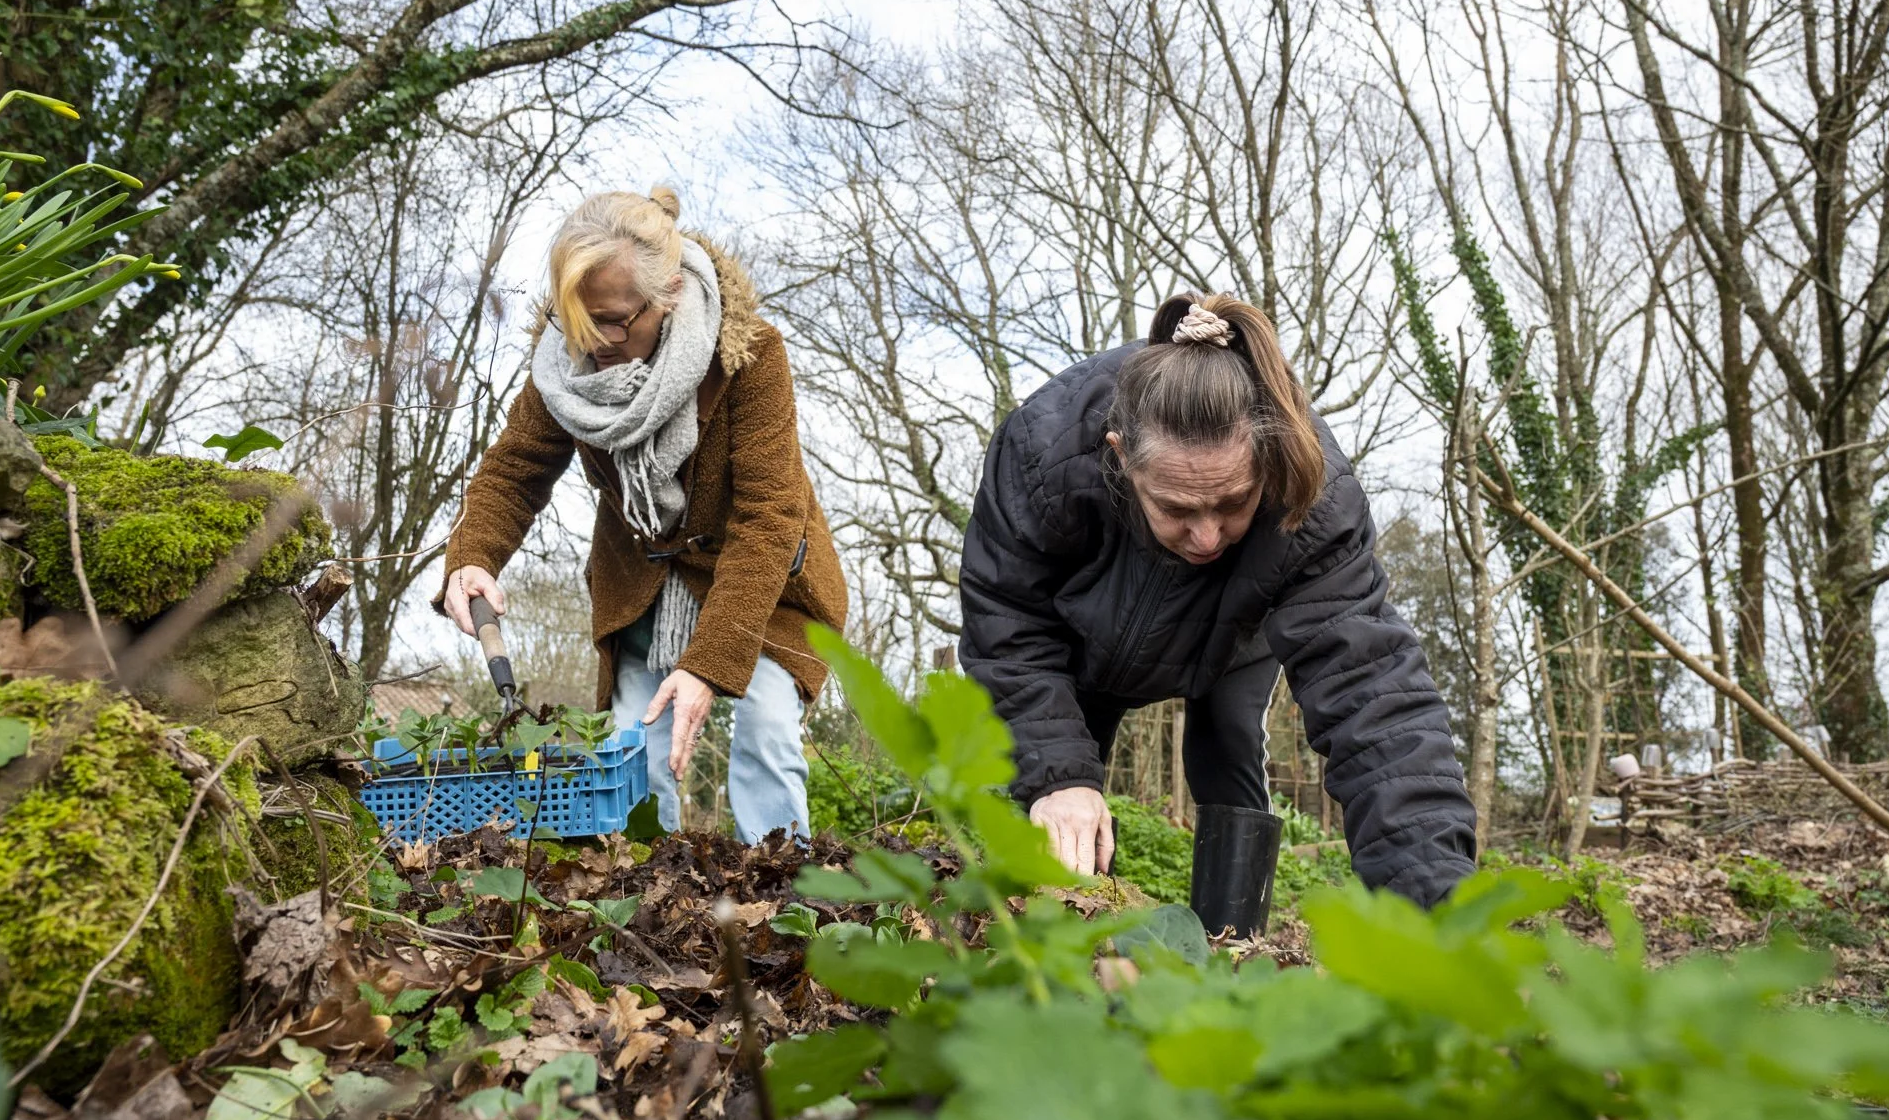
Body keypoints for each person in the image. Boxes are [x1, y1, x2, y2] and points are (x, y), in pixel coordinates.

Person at [959, 293, 1475, 926]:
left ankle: (1232, 936)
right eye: (1177, 508)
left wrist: (1439, 908)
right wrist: (1057, 774)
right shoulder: (1045, 451)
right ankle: (1077, 935)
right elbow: (1006, 621)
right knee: (1058, 785)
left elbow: (1374, 696)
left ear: (1268, 455)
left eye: (1233, 503)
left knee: (1226, 740)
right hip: (1075, 643)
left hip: (1231, 637)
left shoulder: (1314, 498)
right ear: (1120, 457)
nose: (1207, 537)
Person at [438, 187, 848, 841]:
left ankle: (786, 908)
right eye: (579, 319)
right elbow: (513, 472)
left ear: (671, 295)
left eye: (615, 320)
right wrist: (472, 560)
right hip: (643, 589)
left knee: (765, 735)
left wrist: (709, 665)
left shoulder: (750, 356)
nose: (594, 340)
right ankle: (650, 906)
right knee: (636, 754)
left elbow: (770, 516)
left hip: (763, 585)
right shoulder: (564, 370)